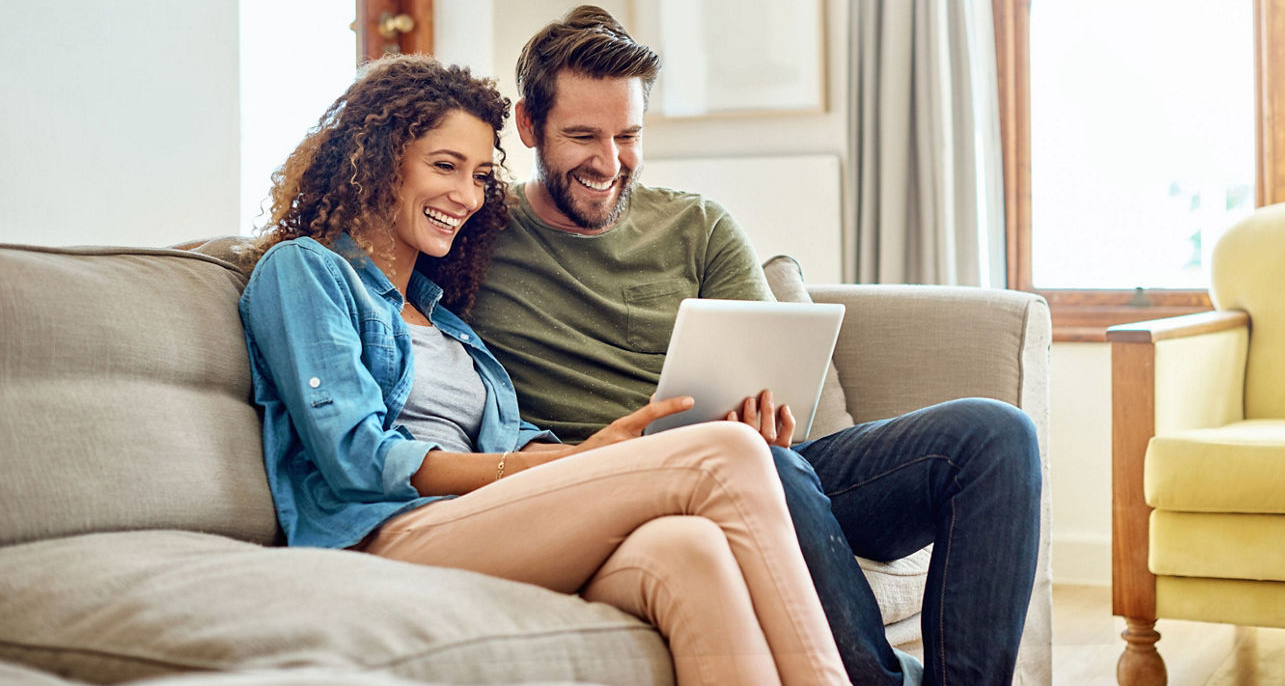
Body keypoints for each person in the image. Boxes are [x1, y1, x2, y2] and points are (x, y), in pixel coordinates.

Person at [469, 6, 1044, 685]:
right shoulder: (476, 238)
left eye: (628, 135)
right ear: (529, 125)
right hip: (619, 488)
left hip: (773, 473)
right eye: (583, 136)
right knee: (753, 462)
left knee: (995, 436)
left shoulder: (698, 226)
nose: (609, 161)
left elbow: (775, 372)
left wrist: (771, 414)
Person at [236, 54, 848, 686]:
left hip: (482, 517)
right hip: (383, 531)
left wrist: (591, 452)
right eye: (444, 167)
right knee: (726, 452)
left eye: (478, 175)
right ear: (382, 158)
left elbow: (507, 439)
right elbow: (356, 458)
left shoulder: (444, 317)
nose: (467, 196)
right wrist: (536, 468)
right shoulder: (305, 272)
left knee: (690, 552)